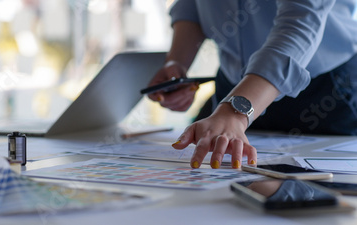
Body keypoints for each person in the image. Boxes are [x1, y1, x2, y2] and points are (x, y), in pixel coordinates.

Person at [147, 0, 357, 169]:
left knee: (315, 206)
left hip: (324, 91)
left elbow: (299, 23)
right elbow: (191, 6)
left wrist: (235, 112)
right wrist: (178, 63)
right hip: (232, 88)